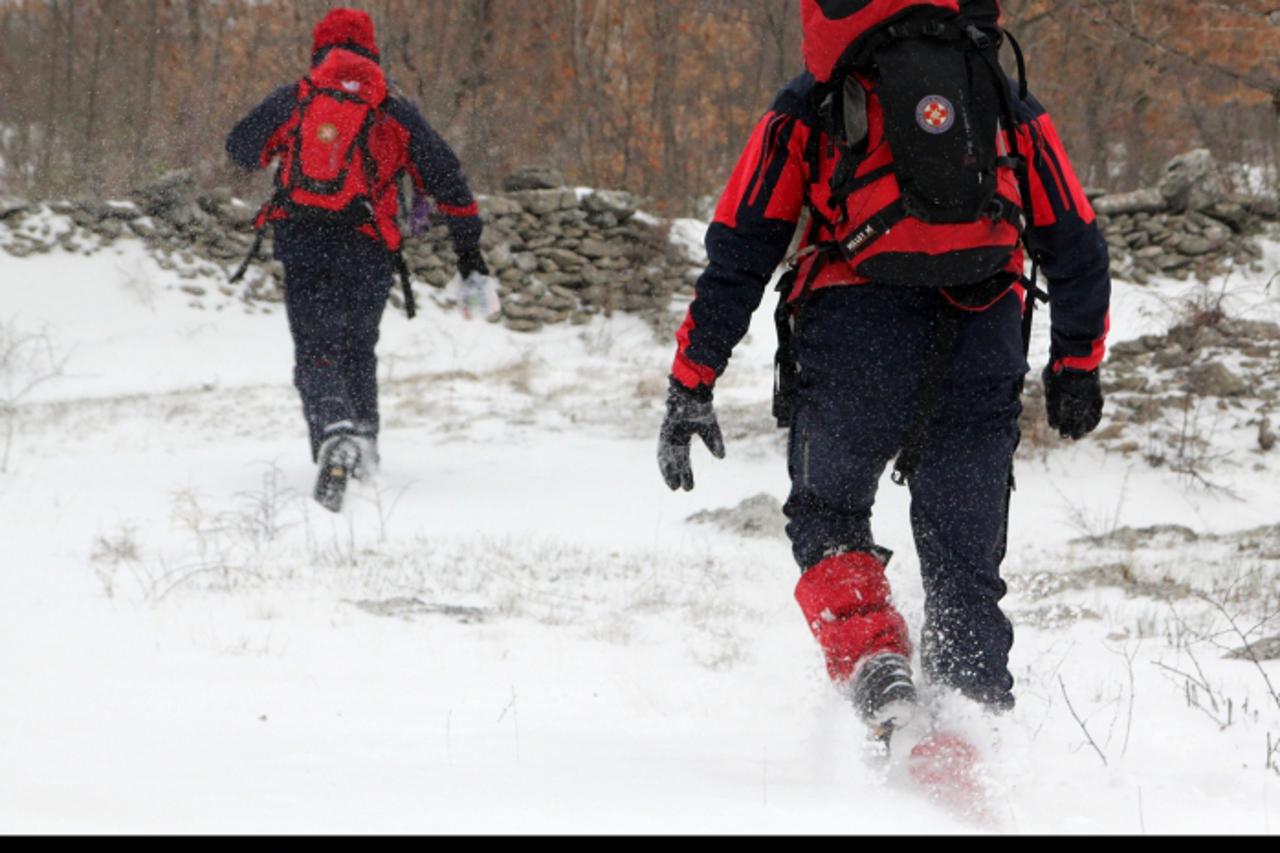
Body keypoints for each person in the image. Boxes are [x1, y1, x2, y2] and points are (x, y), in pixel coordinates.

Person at [658, 0, 1109, 732]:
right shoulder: (997, 92)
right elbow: (1078, 243)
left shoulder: (815, 98)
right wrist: (1076, 363)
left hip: (852, 342)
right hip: (981, 333)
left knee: (829, 513)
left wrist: (692, 379)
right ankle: (971, 739)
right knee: (965, 571)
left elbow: (741, 248)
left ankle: (875, 665)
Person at [226, 8, 487, 507]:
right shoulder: (393, 108)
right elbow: (446, 175)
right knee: (358, 347)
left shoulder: (298, 97)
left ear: (319, 47)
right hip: (369, 245)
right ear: (372, 50)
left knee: (317, 350)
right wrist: (468, 247)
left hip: (303, 241)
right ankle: (364, 446)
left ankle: (334, 431)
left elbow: (240, 148)